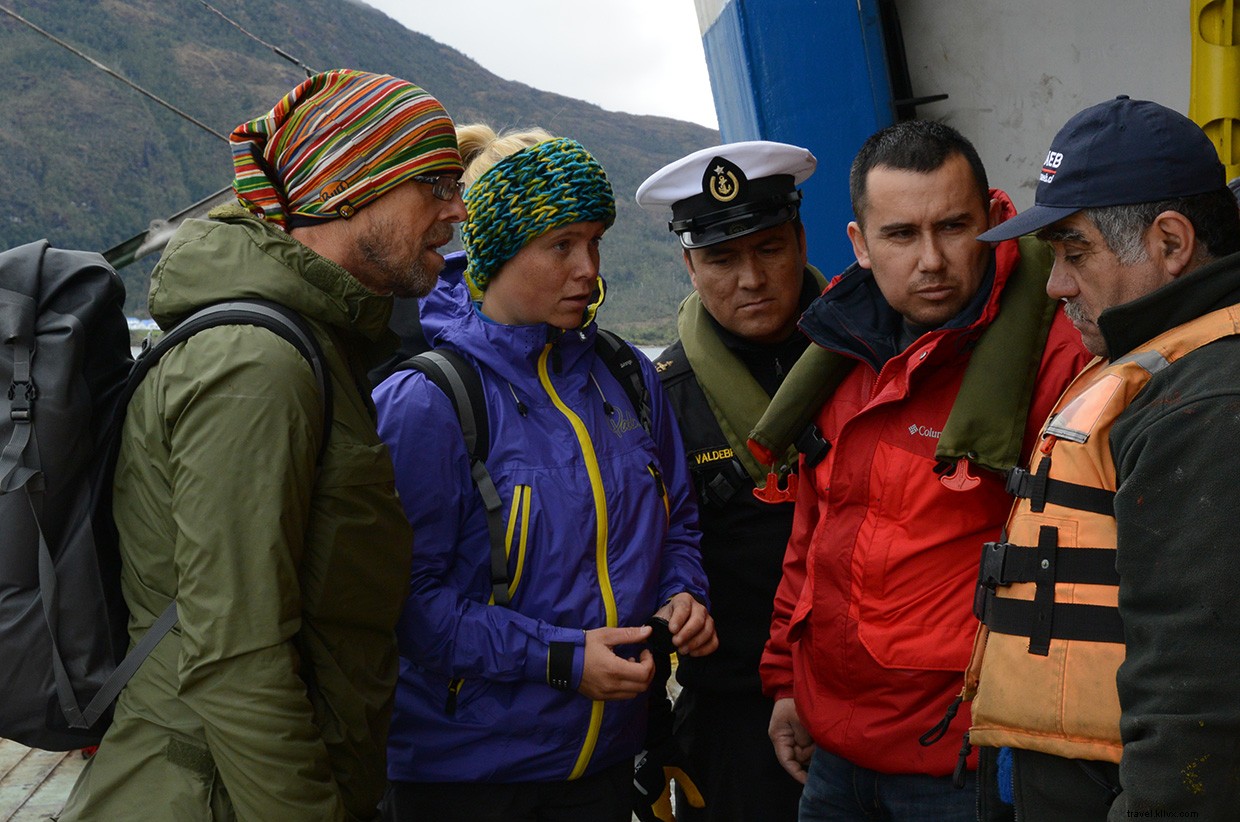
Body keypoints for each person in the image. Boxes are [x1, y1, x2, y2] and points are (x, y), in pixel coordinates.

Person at [59, 69, 466, 822]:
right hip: (215, 794)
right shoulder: (258, 362)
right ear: (350, 186)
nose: (457, 210)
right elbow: (235, 659)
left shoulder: (315, 342)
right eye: (436, 183)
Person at [373, 131, 717, 822]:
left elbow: (676, 516)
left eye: (594, 242)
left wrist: (684, 591)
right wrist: (561, 659)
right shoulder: (429, 401)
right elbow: (406, 606)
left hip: (604, 769)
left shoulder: (627, 377)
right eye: (561, 245)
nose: (587, 268)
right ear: (497, 251)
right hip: (465, 781)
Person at [757, 120, 1092, 820]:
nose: (932, 260)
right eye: (902, 235)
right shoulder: (839, 352)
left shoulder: (1053, 360)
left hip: (959, 767)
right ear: (860, 244)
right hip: (833, 754)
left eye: (953, 227)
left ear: (996, 221)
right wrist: (786, 680)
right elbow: (813, 535)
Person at [968, 96, 1240, 820]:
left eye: (1074, 252)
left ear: (1172, 243)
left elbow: (1200, 696)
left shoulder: (1205, 402)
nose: (1056, 284)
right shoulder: (1159, 367)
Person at [633, 140, 823, 821]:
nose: (750, 278)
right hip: (738, 718)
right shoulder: (658, 403)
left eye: (769, 248)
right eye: (720, 258)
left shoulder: (873, 362)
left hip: (882, 703)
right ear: (689, 264)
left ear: (801, 239)